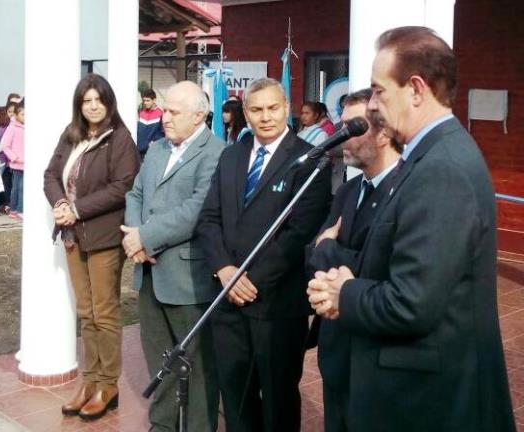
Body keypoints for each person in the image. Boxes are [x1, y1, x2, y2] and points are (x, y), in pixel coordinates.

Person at [306, 26, 515, 432]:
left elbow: (411, 303)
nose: (375, 106)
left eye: (380, 91)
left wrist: (343, 291)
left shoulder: (442, 168)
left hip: (430, 403)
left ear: (416, 89)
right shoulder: (428, 159)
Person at [196, 77, 332, 431]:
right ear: (246, 113)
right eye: (256, 110)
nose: (265, 117)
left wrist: (249, 280)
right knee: (236, 396)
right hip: (227, 301)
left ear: (287, 108)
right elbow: (209, 219)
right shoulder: (232, 155)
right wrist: (224, 269)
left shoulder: (310, 160)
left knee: (278, 399)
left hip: (276, 305)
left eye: (273, 108)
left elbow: (297, 234)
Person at [122, 81, 223, 431]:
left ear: (198, 116)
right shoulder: (158, 148)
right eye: (164, 110)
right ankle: (163, 423)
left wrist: (145, 238)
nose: (165, 117)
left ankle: (198, 426)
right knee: (159, 357)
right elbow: (135, 194)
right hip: (149, 274)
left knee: (195, 362)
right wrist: (134, 237)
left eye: (174, 112)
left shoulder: (217, 153)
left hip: (187, 278)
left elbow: (196, 211)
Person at [43, 74, 140, 422]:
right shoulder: (71, 136)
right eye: (87, 101)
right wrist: (58, 203)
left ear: (109, 102)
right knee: (86, 312)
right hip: (71, 236)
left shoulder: (121, 140)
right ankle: (90, 382)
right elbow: (50, 175)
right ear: (79, 105)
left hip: (102, 237)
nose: (93, 106)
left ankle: (107, 385)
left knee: (105, 312)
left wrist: (77, 209)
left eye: (99, 99)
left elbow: (122, 187)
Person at [305, 88, 402, 432]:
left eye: (353, 128)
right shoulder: (347, 191)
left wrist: (328, 249)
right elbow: (310, 256)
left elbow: (378, 268)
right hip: (336, 353)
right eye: (341, 126)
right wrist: (324, 251)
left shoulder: (404, 193)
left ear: (384, 132)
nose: (341, 137)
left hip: (378, 357)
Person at [1, 101, 25, 219]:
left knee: (23, 187)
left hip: (27, 164)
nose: (25, 117)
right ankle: (16, 209)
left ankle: (18, 209)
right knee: (17, 187)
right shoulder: (12, 128)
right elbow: (5, 145)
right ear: (16, 115)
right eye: (23, 114)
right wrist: (14, 157)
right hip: (17, 165)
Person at [136, 88, 164, 159]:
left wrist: (152, 144)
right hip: (139, 153)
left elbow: (162, 134)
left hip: (153, 153)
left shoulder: (161, 114)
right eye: (144, 100)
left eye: (148, 100)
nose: (145, 103)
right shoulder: (141, 113)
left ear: (154, 100)